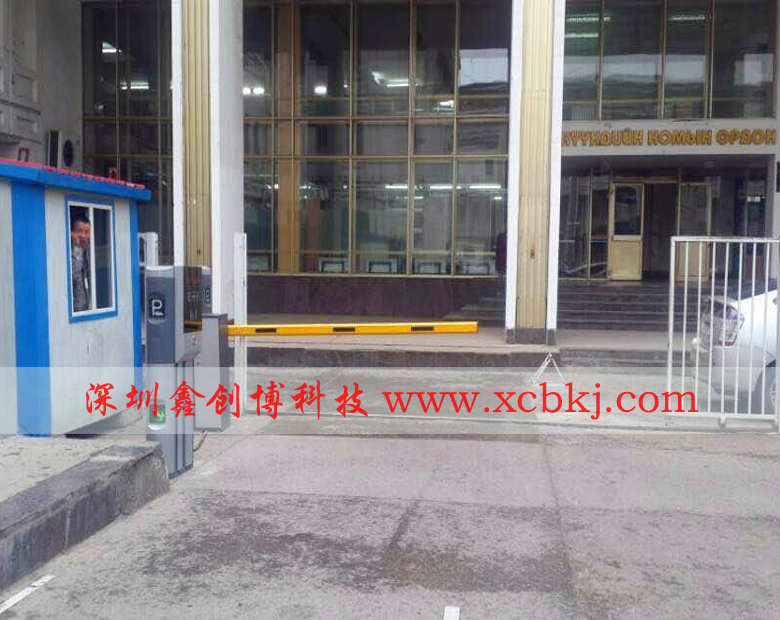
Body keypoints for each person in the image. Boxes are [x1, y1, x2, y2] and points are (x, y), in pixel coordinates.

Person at [70, 212, 91, 312]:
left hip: (87, 307)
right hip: (73, 309)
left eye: (87, 232)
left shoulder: (88, 251)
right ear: (71, 232)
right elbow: (73, 276)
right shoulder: (68, 251)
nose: (83, 235)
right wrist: (77, 247)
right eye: (79, 231)